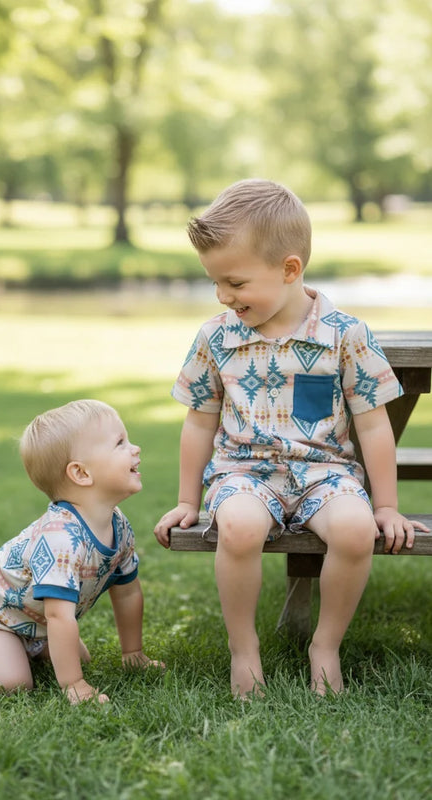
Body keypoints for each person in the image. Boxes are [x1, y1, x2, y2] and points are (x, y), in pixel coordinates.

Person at [154, 178, 429, 698]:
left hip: (326, 472)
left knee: (354, 530)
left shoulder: (345, 334)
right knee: (236, 527)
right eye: (215, 283)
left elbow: (373, 424)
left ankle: (325, 645)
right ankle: (244, 649)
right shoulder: (218, 337)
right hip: (244, 472)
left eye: (234, 283)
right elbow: (199, 419)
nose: (222, 296)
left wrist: (387, 506)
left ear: (289, 269)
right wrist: (189, 500)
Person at [0, 399, 162, 704]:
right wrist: (73, 684)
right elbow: (58, 616)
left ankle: (28, 646)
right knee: (12, 682)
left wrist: (133, 653)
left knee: (80, 656)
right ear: (81, 473)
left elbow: (128, 592)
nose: (135, 449)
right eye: (120, 443)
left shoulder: (119, 525)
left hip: (30, 620)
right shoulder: (61, 539)